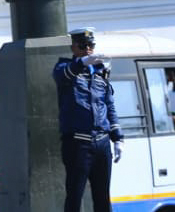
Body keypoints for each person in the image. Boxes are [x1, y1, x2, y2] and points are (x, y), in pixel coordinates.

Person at [53, 27, 123, 212]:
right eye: (83, 46)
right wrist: (82, 62)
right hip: (78, 144)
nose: (88, 49)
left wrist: (118, 137)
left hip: (101, 143)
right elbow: (63, 76)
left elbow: (109, 105)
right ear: (74, 48)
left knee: (102, 198)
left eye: (91, 45)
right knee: (75, 196)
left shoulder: (100, 74)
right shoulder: (64, 68)